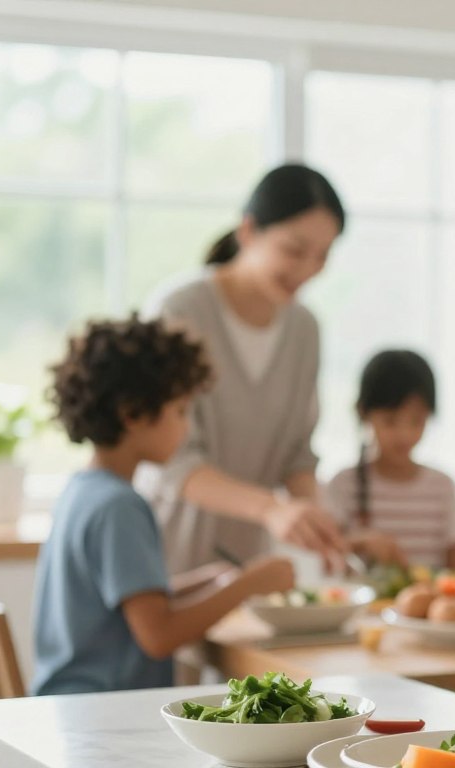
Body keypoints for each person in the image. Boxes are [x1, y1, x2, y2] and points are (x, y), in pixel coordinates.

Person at [32, 316, 295, 695]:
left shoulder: (84, 490)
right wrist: (248, 586)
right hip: (98, 717)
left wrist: (214, 581)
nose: (186, 428)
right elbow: (158, 635)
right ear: (133, 413)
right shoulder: (119, 507)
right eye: (181, 411)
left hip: (70, 705)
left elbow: (128, 606)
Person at [139, 164, 359, 573]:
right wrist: (272, 509)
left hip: (245, 569)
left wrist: (315, 520)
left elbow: (296, 456)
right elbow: (168, 460)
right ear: (248, 231)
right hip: (161, 559)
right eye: (294, 249)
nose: (308, 268)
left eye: (323, 255)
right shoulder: (179, 311)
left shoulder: (305, 330)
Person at [323, 350, 455, 570]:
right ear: (363, 413)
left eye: (416, 421)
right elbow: (330, 562)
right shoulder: (344, 484)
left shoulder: (442, 486)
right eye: (390, 421)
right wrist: (361, 542)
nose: (404, 434)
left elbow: (454, 572)